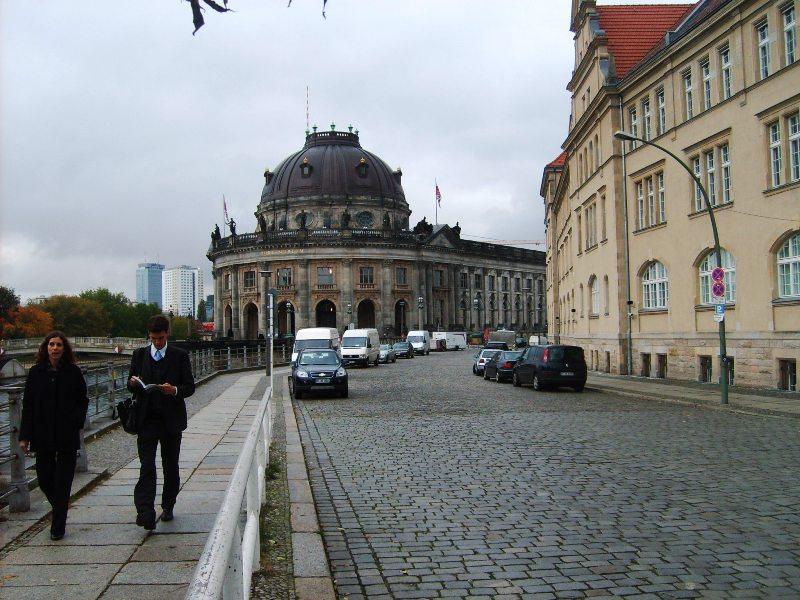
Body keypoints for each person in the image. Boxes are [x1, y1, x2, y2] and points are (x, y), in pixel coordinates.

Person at [127, 315, 195, 530]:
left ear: (167, 334)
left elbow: (189, 387)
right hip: (146, 419)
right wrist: (133, 383)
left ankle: (168, 504)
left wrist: (173, 390)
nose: (157, 342)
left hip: (171, 420)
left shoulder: (179, 355)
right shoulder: (139, 355)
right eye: (154, 338)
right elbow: (130, 384)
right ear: (149, 336)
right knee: (147, 466)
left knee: (170, 465)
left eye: (161, 338)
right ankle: (145, 512)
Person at [19, 331, 88, 541]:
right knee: (44, 478)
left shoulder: (73, 372)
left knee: (64, 480)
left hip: (66, 433)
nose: (55, 348)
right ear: (46, 348)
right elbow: (28, 405)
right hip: (42, 433)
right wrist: (24, 436)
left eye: (58, 345)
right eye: (51, 344)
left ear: (64, 349)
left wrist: (76, 422)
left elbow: (82, 400)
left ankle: (57, 527)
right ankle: (61, 504)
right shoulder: (36, 373)